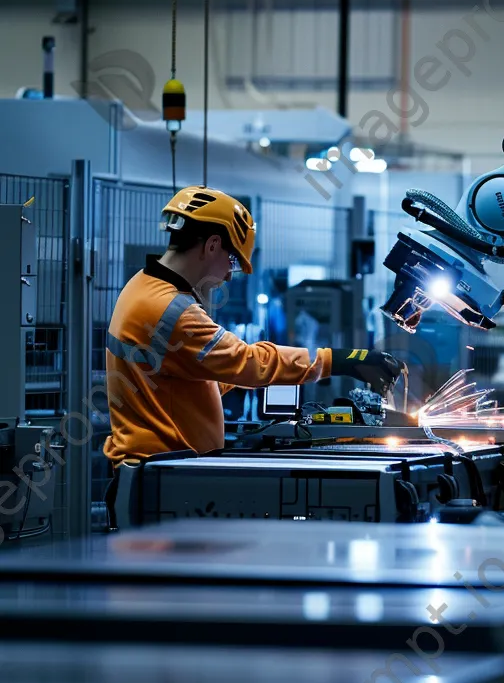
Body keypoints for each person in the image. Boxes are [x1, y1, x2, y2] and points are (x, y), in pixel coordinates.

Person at [103, 186, 404, 524]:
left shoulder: (143, 286)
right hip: (162, 481)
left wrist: (252, 378)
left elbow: (193, 378)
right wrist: (342, 360)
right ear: (212, 244)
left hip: (158, 473)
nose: (230, 273)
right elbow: (247, 361)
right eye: (232, 260)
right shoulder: (171, 310)